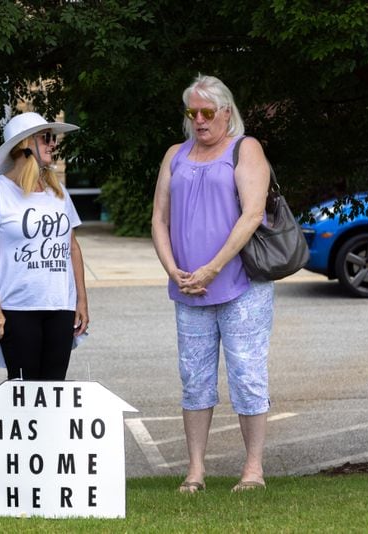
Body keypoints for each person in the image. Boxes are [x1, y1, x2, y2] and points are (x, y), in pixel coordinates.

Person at [151, 75, 274, 493]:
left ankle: (253, 470)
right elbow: (159, 220)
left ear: (226, 111)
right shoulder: (175, 155)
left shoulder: (246, 149)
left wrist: (212, 268)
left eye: (207, 112)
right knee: (194, 378)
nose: (199, 121)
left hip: (241, 286)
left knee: (248, 375)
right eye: (192, 113)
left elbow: (252, 214)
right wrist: (174, 269)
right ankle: (195, 471)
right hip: (189, 289)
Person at [0, 112, 89, 380]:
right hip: (17, 308)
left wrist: (81, 300)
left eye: (53, 138)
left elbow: (72, 246)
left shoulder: (58, 191)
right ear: (25, 144)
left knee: (54, 390)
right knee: (24, 393)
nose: (53, 144)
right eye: (46, 138)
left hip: (60, 305)